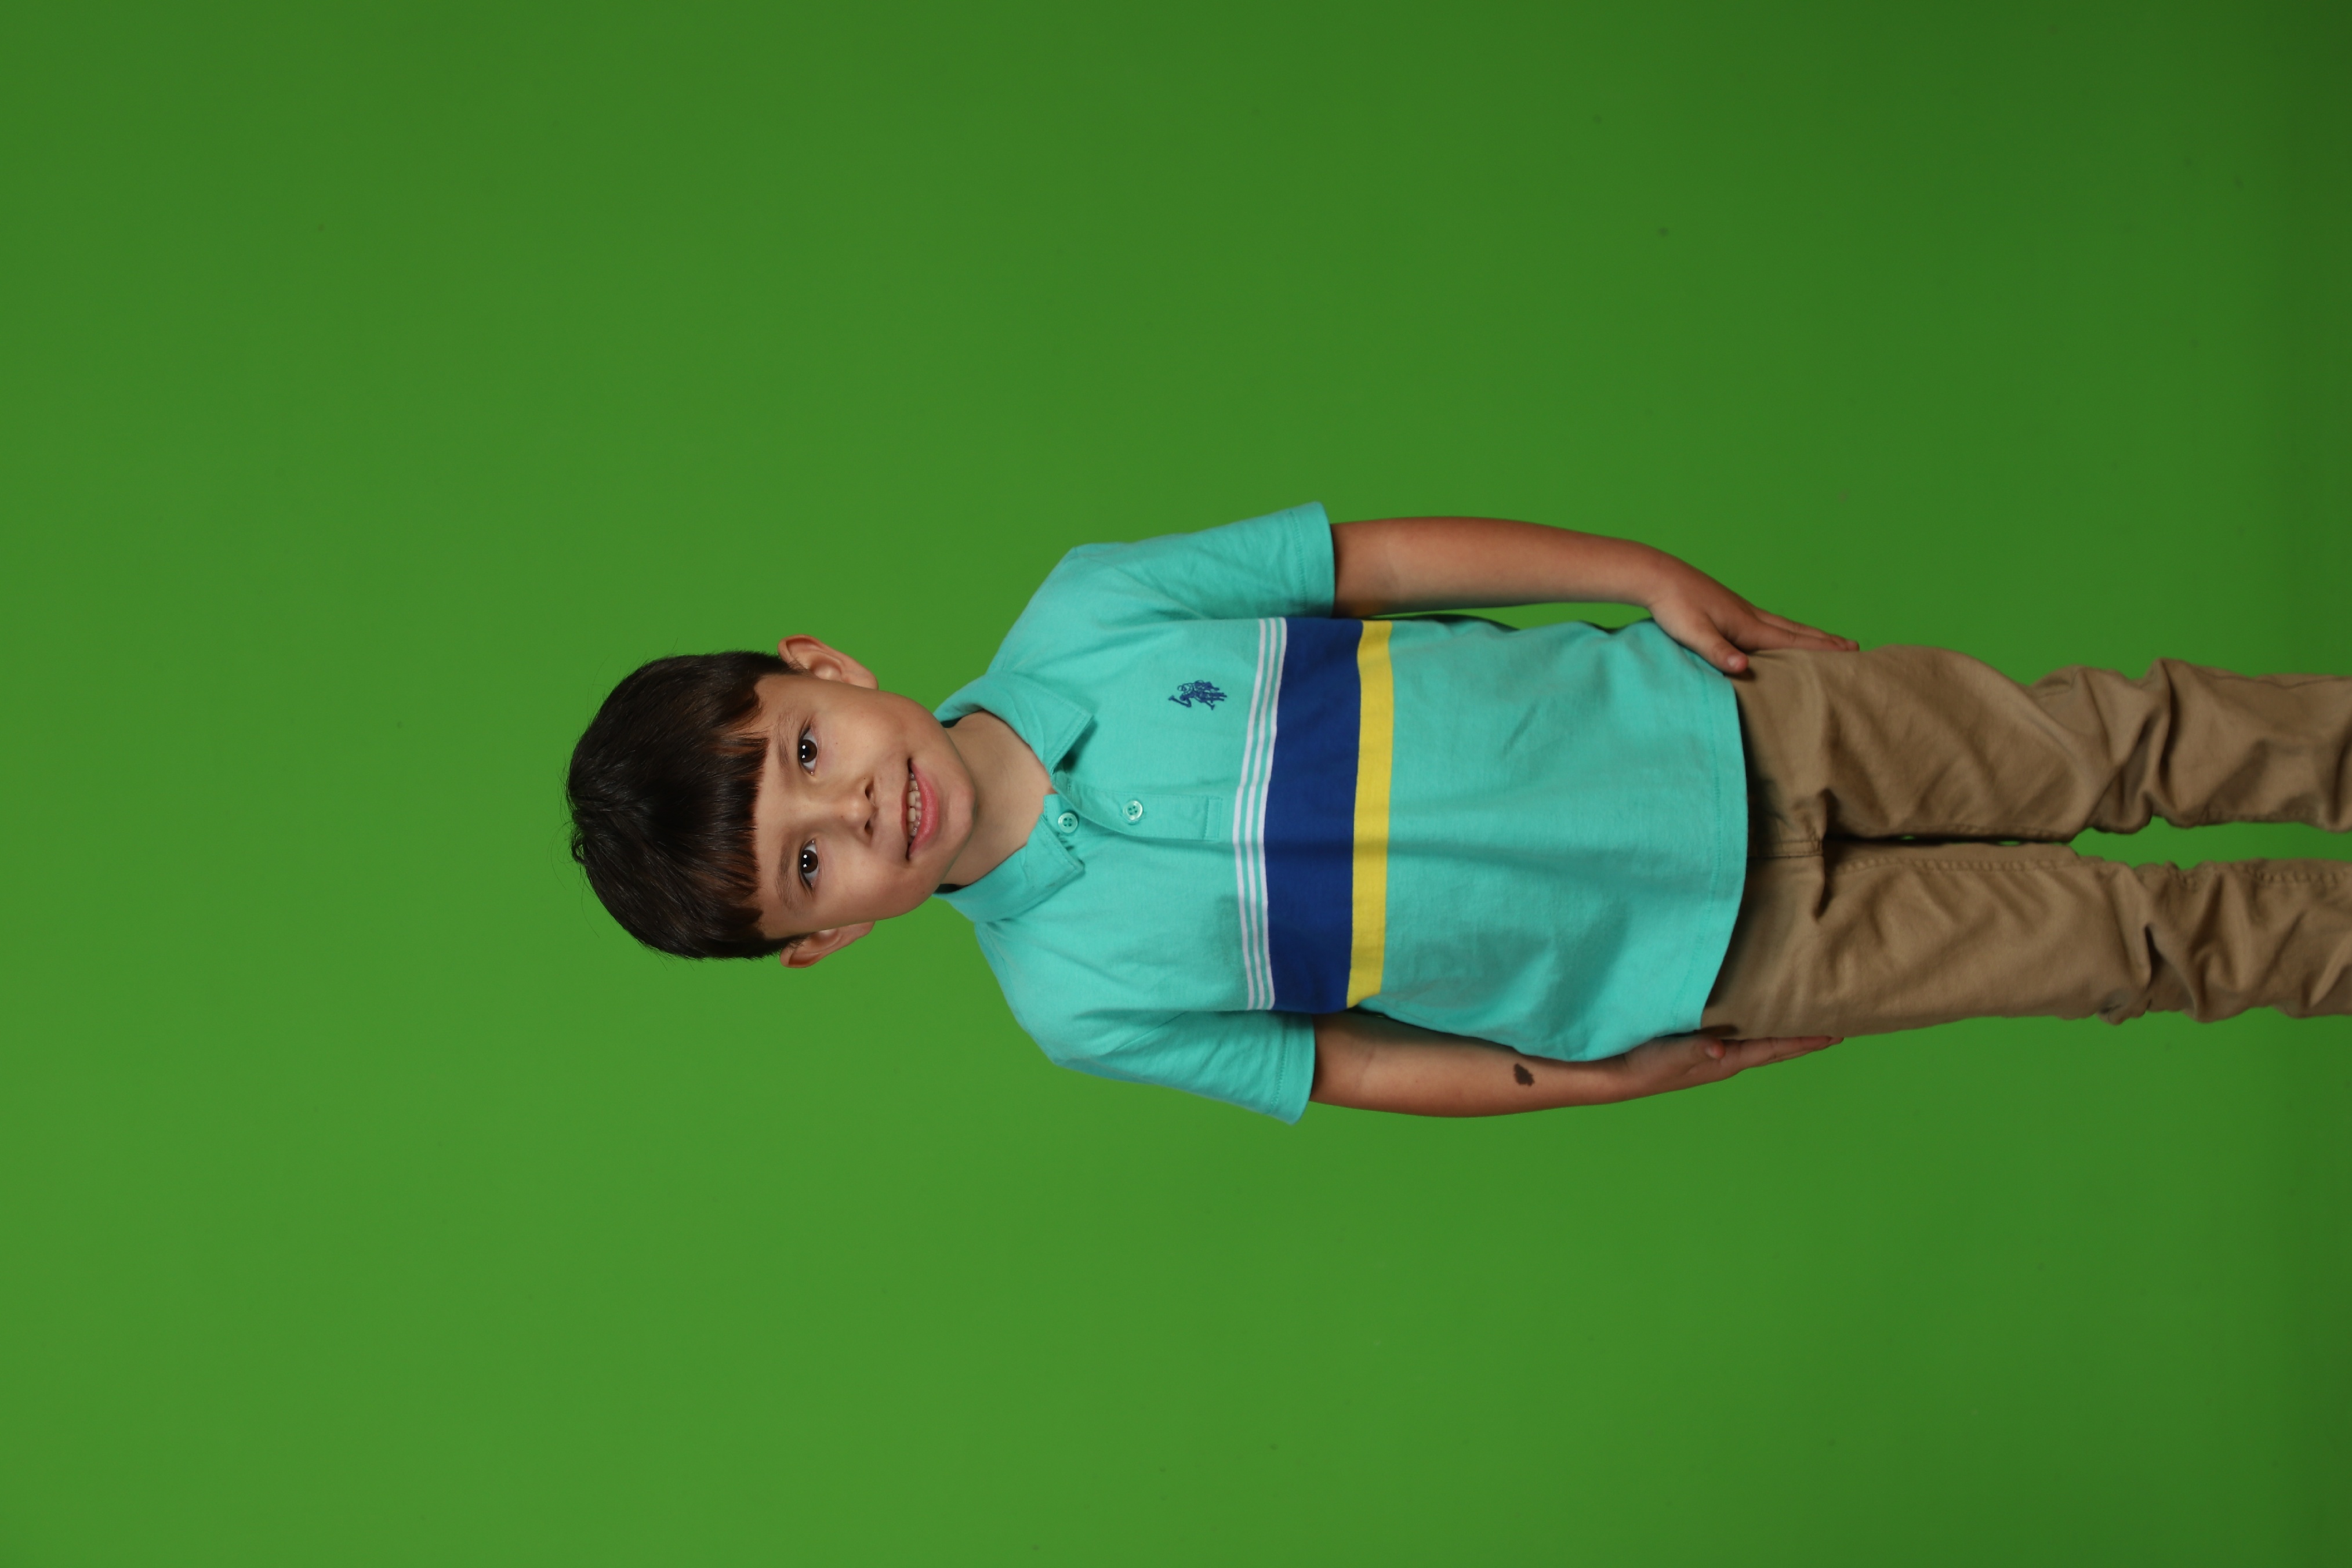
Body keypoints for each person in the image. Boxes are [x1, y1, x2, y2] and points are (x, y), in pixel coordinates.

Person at [565, 504, 2352, 1120]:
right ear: (822, 942)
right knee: (2128, 947)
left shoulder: (1096, 607)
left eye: (809, 748)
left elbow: (1383, 564)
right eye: (811, 863)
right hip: (1711, 960)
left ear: (823, 664)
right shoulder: (1076, 1003)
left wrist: (1635, 574)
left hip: (1726, 725)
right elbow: (1353, 1066)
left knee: (2115, 742)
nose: (858, 807)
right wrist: (1599, 1080)